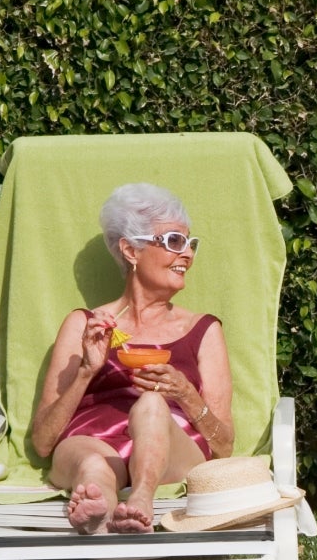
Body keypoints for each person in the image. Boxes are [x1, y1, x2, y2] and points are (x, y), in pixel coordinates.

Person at [30, 183, 234, 533]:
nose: (187, 254)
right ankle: (99, 511)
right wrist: (86, 371)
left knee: (153, 405)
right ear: (131, 250)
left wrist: (184, 392)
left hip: (170, 445)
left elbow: (224, 445)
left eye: (190, 244)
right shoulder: (85, 325)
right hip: (91, 439)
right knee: (93, 467)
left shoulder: (203, 330)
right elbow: (43, 441)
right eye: (173, 241)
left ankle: (141, 498)